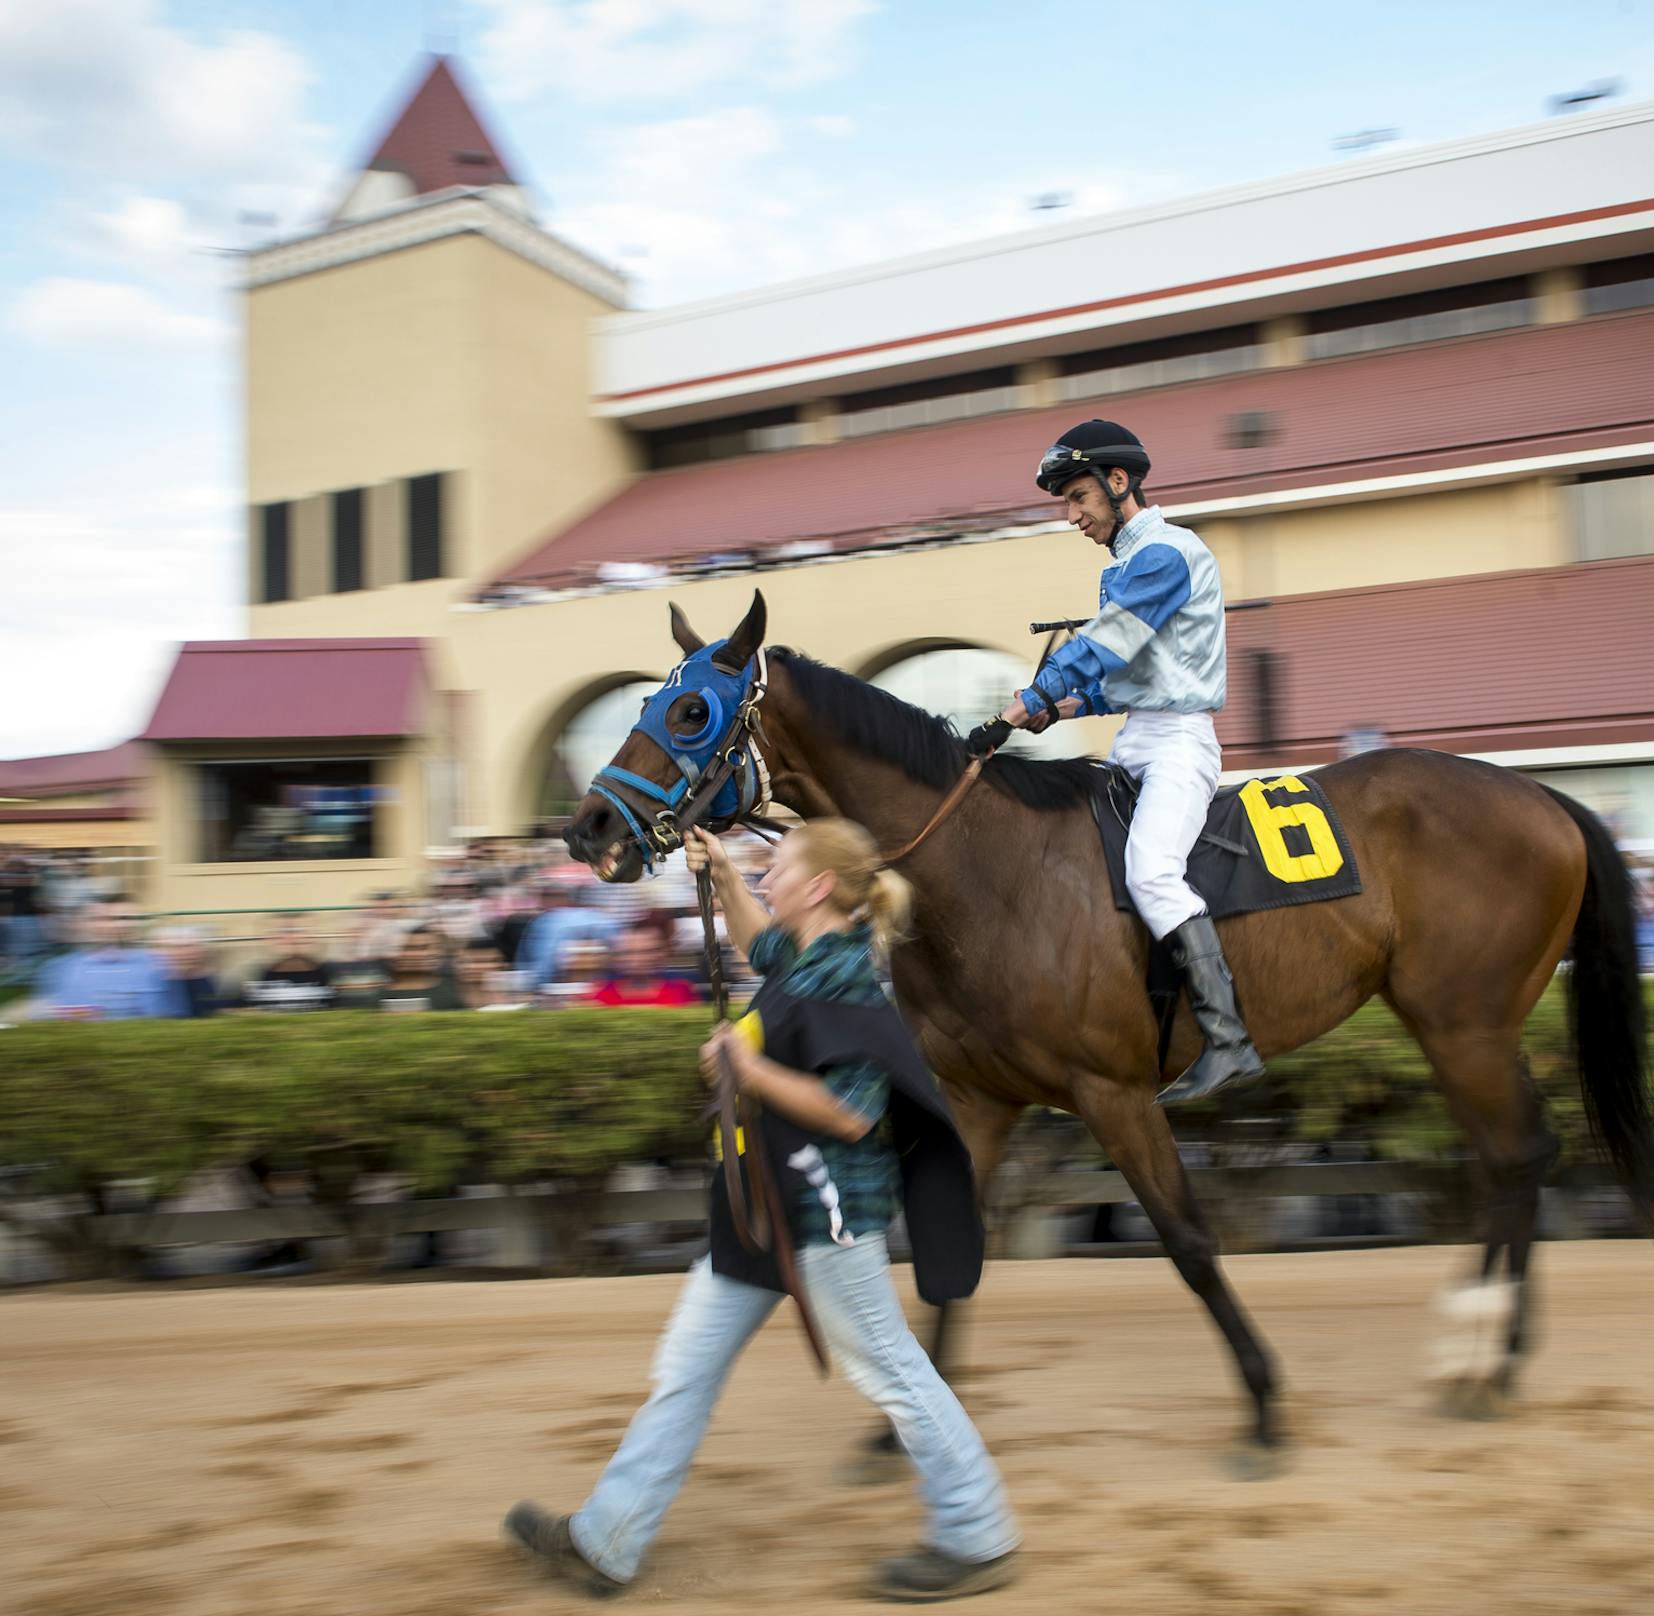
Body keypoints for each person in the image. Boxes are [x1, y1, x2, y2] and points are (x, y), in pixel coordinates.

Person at [503, 819, 1020, 1601]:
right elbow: (759, 944)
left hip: (823, 1216)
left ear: (817, 889)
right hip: (759, 1209)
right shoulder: (802, 955)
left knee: (894, 1374)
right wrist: (720, 874)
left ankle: (977, 1533)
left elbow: (849, 1112)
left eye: (774, 868)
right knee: (686, 1368)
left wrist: (745, 1068)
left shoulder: (846, 978)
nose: (763, 878)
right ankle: (607, 1539)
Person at [978, 418, 1263, 1106]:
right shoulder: (1128, 565)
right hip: (1138, 740)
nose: (1072, 516)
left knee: (1152, 871)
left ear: (1118, 482)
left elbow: (1105, 644)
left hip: (1180, 746)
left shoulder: (1165, 554)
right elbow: (1122, 675)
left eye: (1078, 498)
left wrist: (1031, 699)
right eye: (1067, 504)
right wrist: (1063, 709)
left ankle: (1230, 1041)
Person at [23, 897, 185, 1019]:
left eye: (107, 919)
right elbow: (43, 1019)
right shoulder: (57, 969)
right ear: (75, 924)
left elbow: (168, 1016)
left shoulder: (153, 964)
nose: (104, 926)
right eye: (93, 919)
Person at [590, 925, 700, 1008]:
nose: (638, 959)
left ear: (661, 954)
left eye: (647, 951)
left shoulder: (680, 990)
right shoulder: (601, 992)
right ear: (616, 956)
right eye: (628, 952)